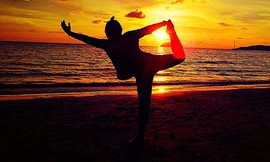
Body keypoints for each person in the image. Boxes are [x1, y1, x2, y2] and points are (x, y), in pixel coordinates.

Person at [61, 17, 185, 145]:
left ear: (108, 33)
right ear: (120, 30)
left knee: (144, 104)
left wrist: (70, 33)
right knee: (144, 104)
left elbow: (88, 39)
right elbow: (147, 29)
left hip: (145, 67)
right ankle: (140, 137)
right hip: (147, 65)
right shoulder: (125, 37)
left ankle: (140, 137)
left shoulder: (110, 43)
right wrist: (164, 24)